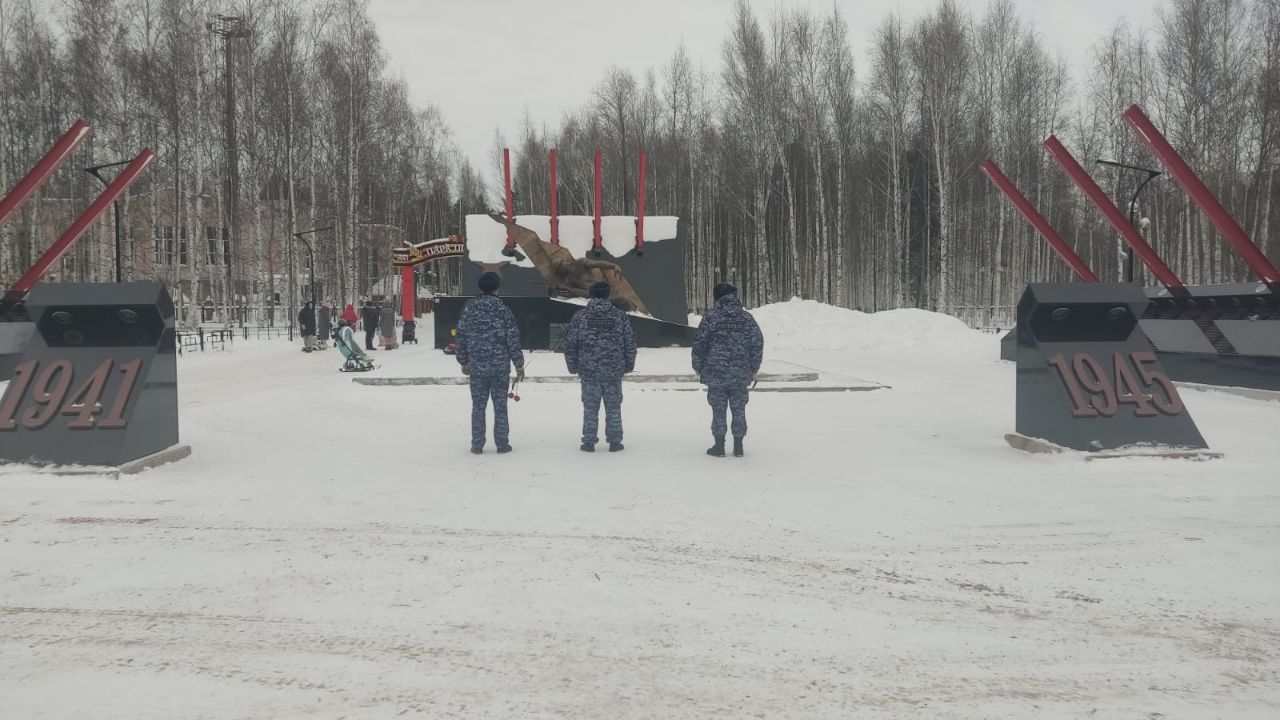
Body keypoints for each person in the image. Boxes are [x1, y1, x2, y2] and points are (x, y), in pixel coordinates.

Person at [455, 272, 525, 454]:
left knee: (478, 406)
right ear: (496, 288)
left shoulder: (470, 311)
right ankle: (502, 444)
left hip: (477, 367)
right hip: (500, 367)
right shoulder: (504, 311)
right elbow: (513, 340)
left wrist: (463, 361)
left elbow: (460, 337)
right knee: (500, 406)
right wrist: (519, 364)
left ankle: (477, 444)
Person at [692, 283, 764, 457]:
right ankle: (738, 446)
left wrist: (698, 367)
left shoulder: (711, 318)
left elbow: (700, 344)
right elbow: (757, 344)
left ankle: (719, 446)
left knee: (718, 409)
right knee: (739, 409)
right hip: (740, 374)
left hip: (715, 373)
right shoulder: (746, 319)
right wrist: (753, 367)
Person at [564, 281, 636, 452]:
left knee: (590, 407)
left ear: (591, 294)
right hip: (613, 370)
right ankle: (615, 441)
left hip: (588, 370)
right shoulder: (619, 317)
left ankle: (588, 441)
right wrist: (628, 365)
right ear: (608, 294)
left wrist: (572, 366)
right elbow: (630, 343)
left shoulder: (580, 317)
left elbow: (570, 345)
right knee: (613, 407)